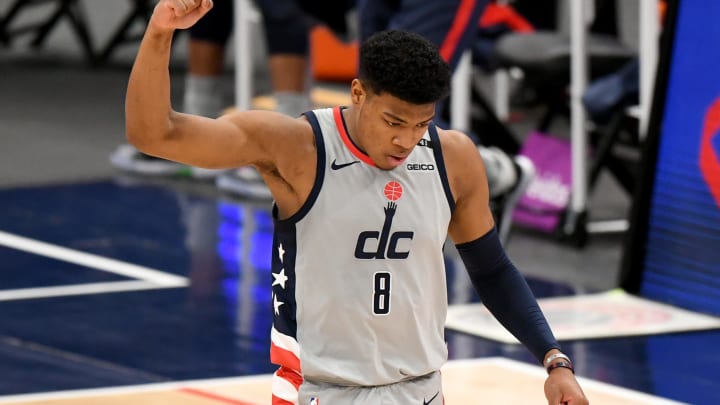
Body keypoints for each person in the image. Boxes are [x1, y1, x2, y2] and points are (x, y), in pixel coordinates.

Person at [125, 1, 589, 404]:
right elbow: (154, 133)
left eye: (420, 123)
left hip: (420, 390)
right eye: (393, 121)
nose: (407, 139)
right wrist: (160, 30)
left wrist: (554, 360)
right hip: (321, 391)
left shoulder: (454, 157)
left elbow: (491, 269)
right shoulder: (296, 147)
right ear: (358, 93)